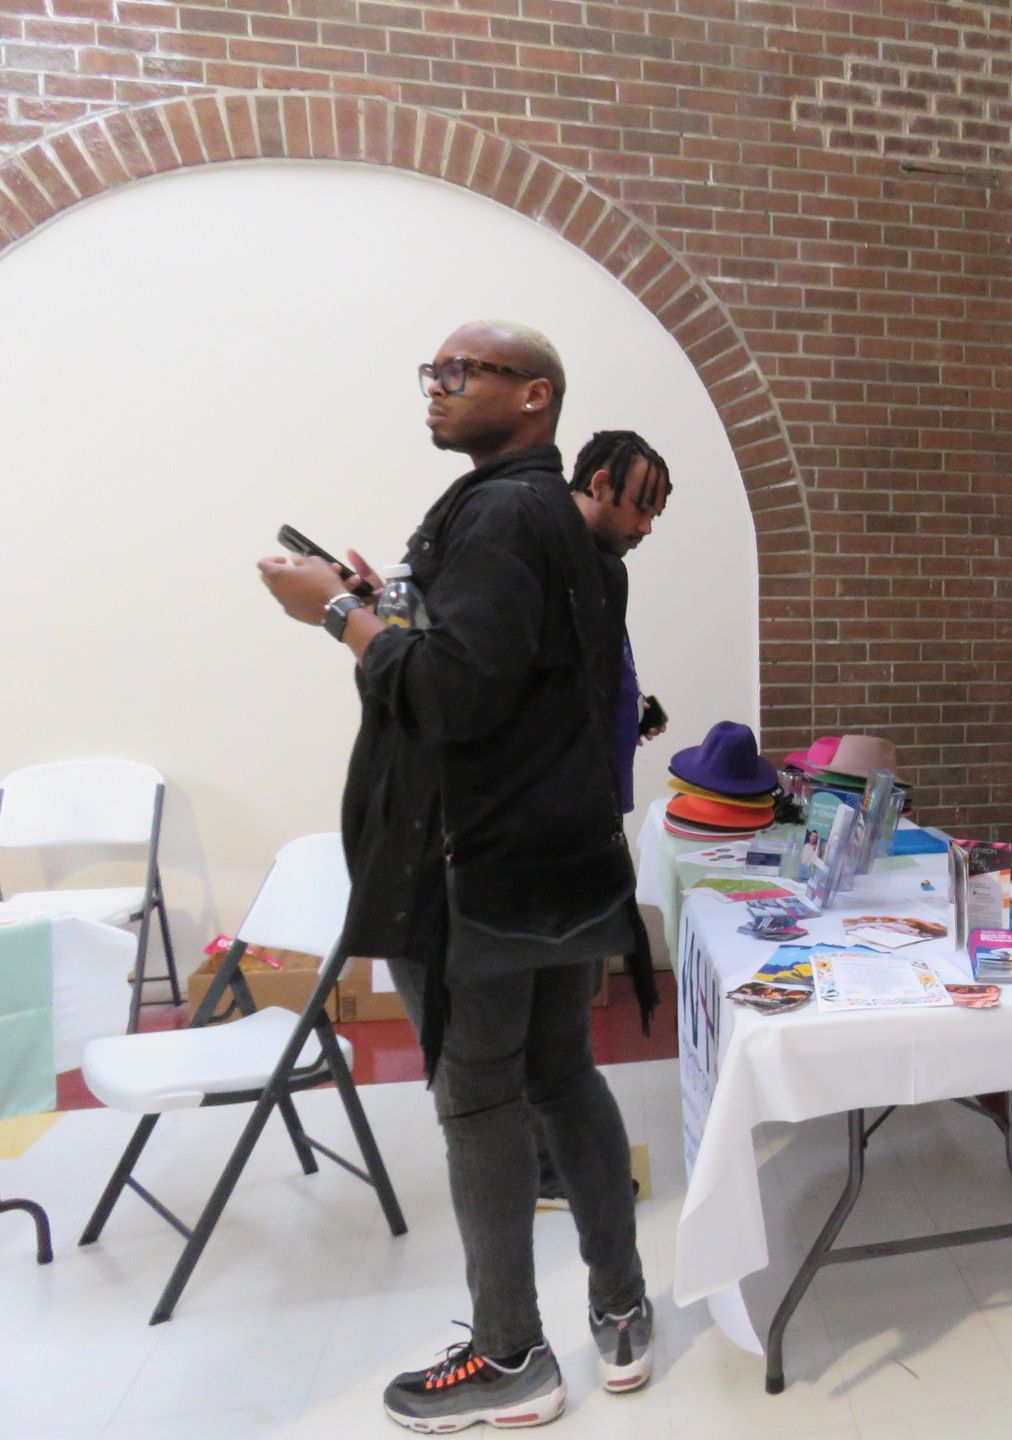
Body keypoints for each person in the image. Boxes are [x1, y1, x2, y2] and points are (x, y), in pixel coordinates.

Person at [257, 320, 654, 1431]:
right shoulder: (563, 522)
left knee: (479, 1100)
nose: (434, 389)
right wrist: (394, 606)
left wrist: (335, 614)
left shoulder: (498, 512)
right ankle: (621, 1309)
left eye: (457, 373)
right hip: (559, 858)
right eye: (428, 371)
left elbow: (453, 699)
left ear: (534, 396)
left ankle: (510, 1356)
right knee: (561, 1076)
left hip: (483, 868)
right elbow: (505, 669)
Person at [527, 429, 674, 1212]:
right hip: (549, 836)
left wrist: (629, 716)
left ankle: (556, 1157)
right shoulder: (551, 558)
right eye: (638, 505)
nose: (646, 526)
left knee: (571, 1007)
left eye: (657, 512)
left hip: (587, 821)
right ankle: (545, 1167)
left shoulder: (600, 573)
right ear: (592, 482)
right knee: (548, 1025)